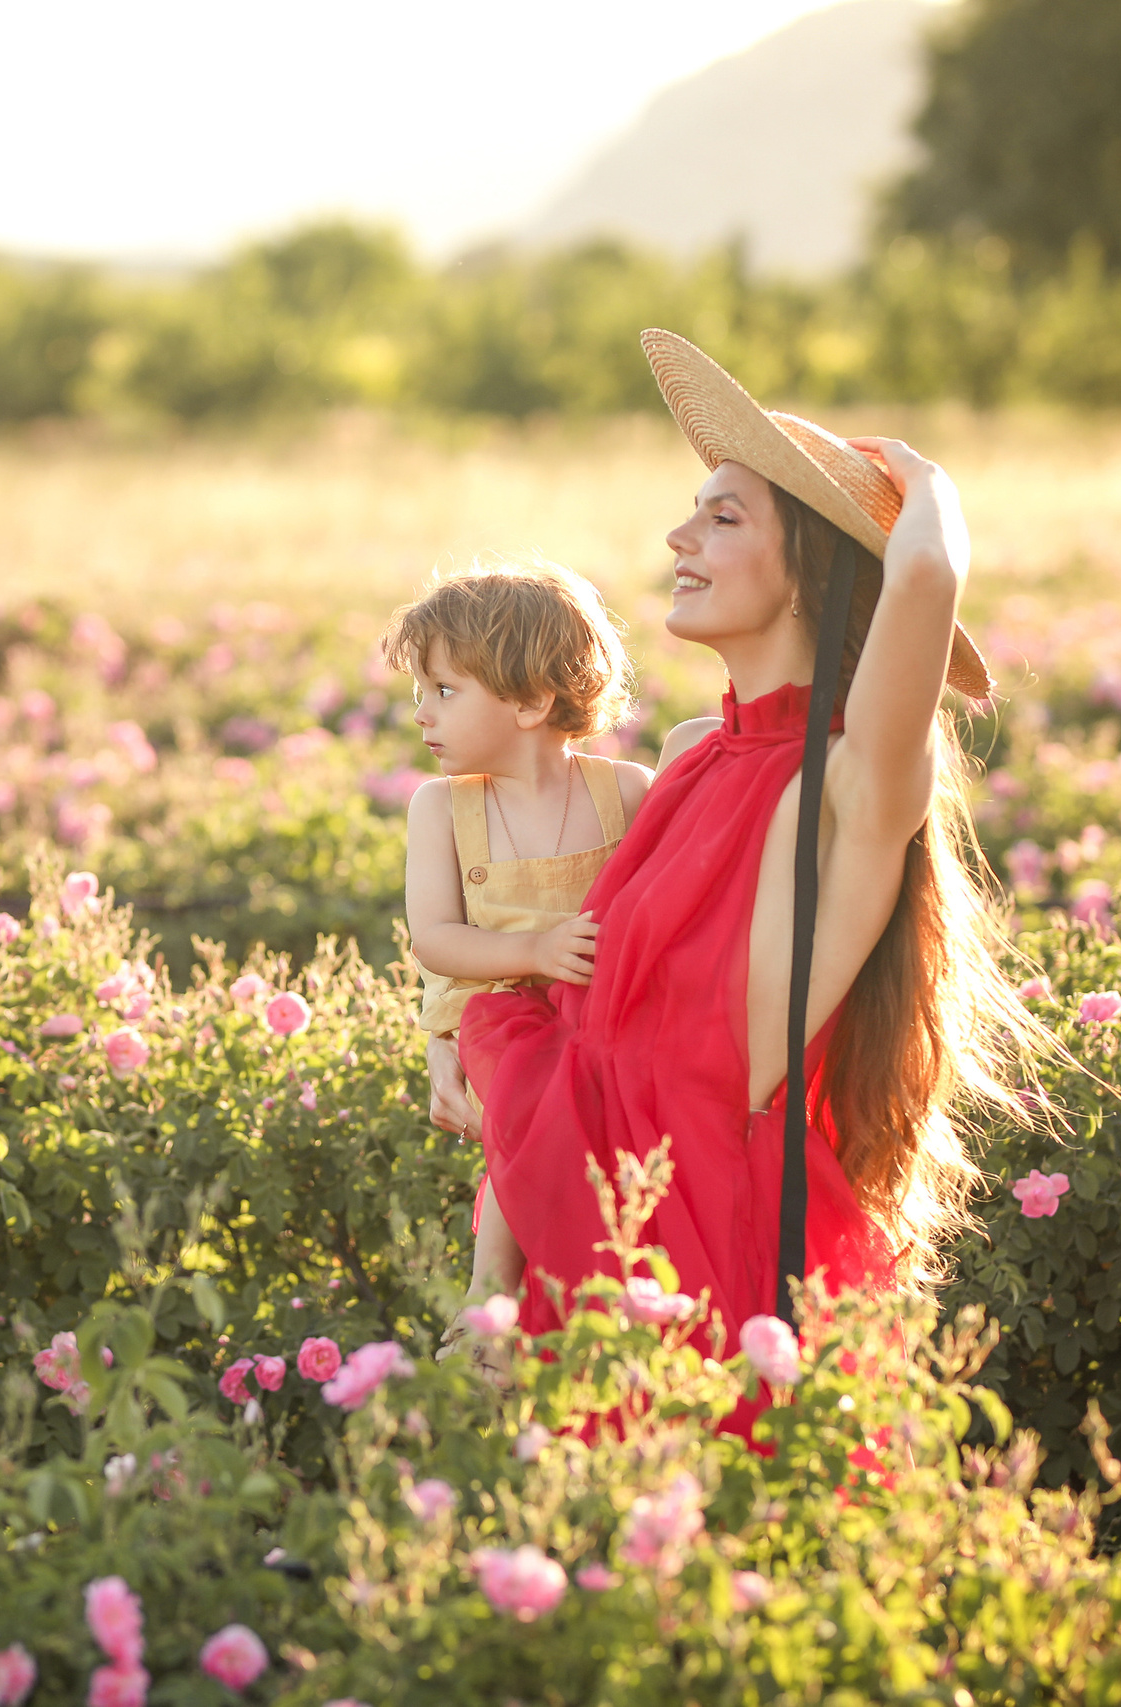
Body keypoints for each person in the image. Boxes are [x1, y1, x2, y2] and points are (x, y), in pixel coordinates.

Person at [450, 331, 1046, 1431]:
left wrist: (921, 480)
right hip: (571, 1212)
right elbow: (573, 1036)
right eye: (693, 507)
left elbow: (920, 571)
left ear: (812, 569)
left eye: (724, 516)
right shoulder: (685, 756)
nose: (678, 536)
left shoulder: (855, 783)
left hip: (701, 1241)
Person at [381, 562, 653, 1368]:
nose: (421, 714)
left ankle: (600, 1298)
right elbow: (434, 936)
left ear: (532, 701)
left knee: (593, 1087)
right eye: (420, 692)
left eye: (444, 691)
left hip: (603, 1014)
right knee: (536, 1076)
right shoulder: (444, 807)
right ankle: (489, 1289)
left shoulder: (627, 792)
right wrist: (533, 952)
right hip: (501, 1014)